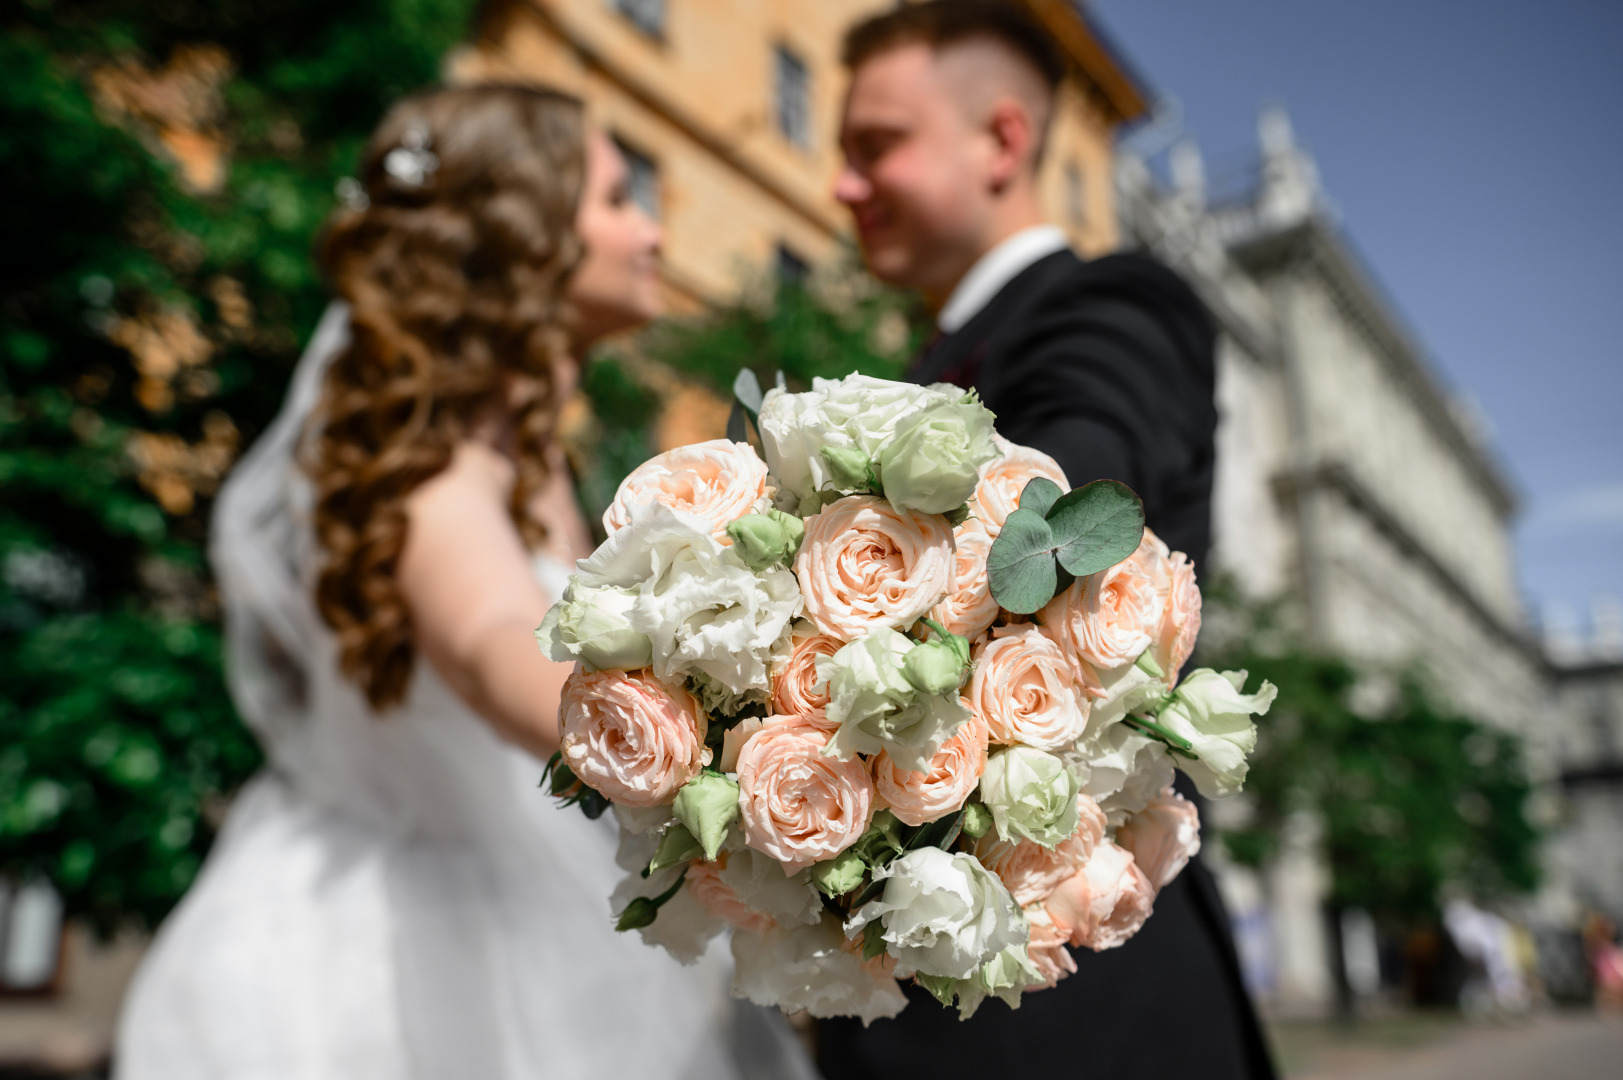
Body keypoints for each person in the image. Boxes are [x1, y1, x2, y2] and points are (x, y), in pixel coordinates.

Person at [115, 84, 800, 1080]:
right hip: (393, 963)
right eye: (615, 201)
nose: (650, 232)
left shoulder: (524, 465)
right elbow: (493, 645)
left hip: (528, 907)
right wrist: (731, 753)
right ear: (523, 246)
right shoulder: (436, 478)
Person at [816, 4, 1276, 1078]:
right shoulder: (934, 358)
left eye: (875, 145)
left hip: (1077, 1013)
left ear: (1004, 142)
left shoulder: (1107, 305)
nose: (842, 186)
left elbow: (1063, 497)